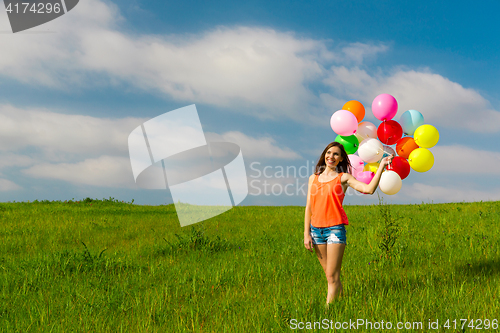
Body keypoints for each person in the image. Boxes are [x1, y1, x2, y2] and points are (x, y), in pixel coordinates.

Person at [303, 141, 393, 305]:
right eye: (329, 153)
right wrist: (306, 233)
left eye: (336, 154)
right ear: (324, 155)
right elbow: (309, 206)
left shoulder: (343, 178)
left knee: (332, 276)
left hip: (334, 230)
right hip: (316, 231)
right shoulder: (313, 178)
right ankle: (344, 302)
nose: (331, 156)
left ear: (341, 159)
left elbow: (368, 189)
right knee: (331, 276)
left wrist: (381, 166)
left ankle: (327, 313)